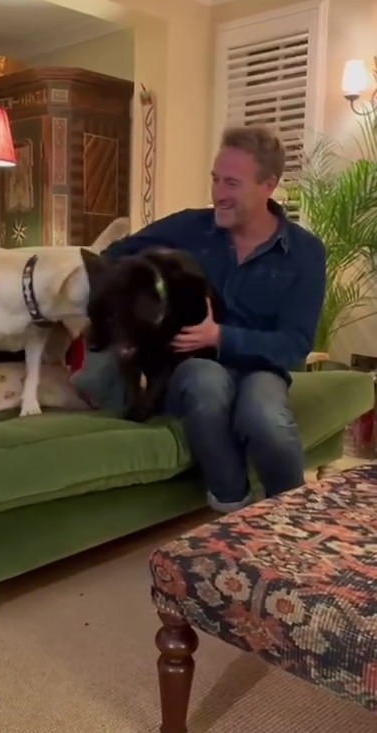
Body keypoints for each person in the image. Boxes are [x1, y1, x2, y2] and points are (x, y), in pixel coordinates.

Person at [73, 125, 327, 513]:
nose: (218, 194)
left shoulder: (305, 253)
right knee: (206, 382)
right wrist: (135, 313)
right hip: (188, 367)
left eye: (231, 183)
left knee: (265, 417)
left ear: (268, 186)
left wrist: (220, 336)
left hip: (261, 368)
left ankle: (292, 521)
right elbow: (115, 255)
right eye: (215, 180)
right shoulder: (189, 227)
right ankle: (233, 507)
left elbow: (294, 343)